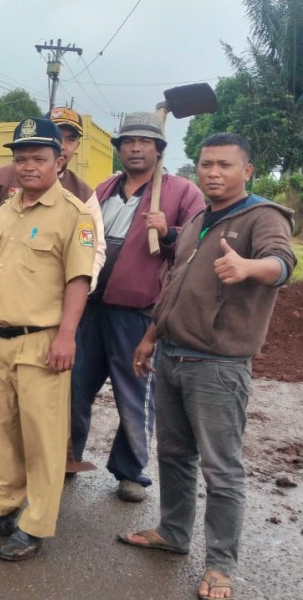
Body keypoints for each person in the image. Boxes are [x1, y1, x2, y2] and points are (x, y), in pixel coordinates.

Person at [118, 133, 296, 600]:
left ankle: (219, 566)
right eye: (206, 164)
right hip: (172, 355)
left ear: (247, 171)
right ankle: (173, 533)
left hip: (218, 366)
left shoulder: (263, 216)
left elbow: (282, 262)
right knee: (174, 455)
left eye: (224, 165)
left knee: (222, 470)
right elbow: (175, 285)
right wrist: (151, 337)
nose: (213, 172)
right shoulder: (198, 218)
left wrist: (250, 268)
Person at [0, 118, 95, 561]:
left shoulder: (75, 215)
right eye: (21, 158)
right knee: (1, 431)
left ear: (59, 162)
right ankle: (1, 507)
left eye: (39, 158)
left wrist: (67, 336)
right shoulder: (7, 210)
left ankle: (35, 524)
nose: (28, 166)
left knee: (42, 438)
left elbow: (79, 279)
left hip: (41, 343)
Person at [71, 111, 205, 502]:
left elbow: (198, 247)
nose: (135, 148)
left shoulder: (182, 192)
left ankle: (130, 472)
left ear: (158, 149)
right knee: (73, 388)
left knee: (135, 394)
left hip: (138, 312)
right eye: (128, 141)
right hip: (91, 308)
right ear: (119, 148)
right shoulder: (104, 188)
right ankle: (67, 456)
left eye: (145, 142)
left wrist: (169, 233)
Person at [0, 106, 107, 473]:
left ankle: (50, 474)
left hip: (48, 324)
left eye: (69, 138)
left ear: (66, 152)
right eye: (23, 156)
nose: (30, 164)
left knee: (47, 411)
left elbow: (92, 256)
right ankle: (3, 476)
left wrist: (66, 312)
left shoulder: (82, 200)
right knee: (0, 408)